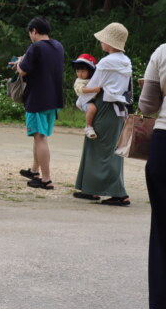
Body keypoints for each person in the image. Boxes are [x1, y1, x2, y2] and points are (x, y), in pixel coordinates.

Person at [72, 22, 132, 206]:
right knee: (108, 148)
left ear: (110, 42)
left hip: (104, 106)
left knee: (101, 149)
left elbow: (94, 86)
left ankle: (118, 193)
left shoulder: (107, 62)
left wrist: (81, 103)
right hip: (118, 109)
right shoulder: (126, 61)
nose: (101, 42)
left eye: (103, 39)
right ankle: (92, 188)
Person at [13, 17, 65, 191]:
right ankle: (34, 171)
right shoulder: (58, 46)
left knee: (40, 137)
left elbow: (23, 70)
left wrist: (19, 63)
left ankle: (46, 179)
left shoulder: (35, 47)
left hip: (37, 99)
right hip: (54, 98)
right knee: (40, 135)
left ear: (34, 31)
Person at [140, 43, 166, 309]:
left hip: (164, 141)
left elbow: (147, 105)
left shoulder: (162, 52)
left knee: (162, 224)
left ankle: (163, 299)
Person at [71, 54, 98, 137]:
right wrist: (93, 90)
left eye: (83, 71)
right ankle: (88, 127)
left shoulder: (93, 79)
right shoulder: (79, 81)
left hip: (94, 100)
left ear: (89, 71)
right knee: (92, 108)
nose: (80, 74)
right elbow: (81, 89)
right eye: (77, 71)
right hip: (84, 101)